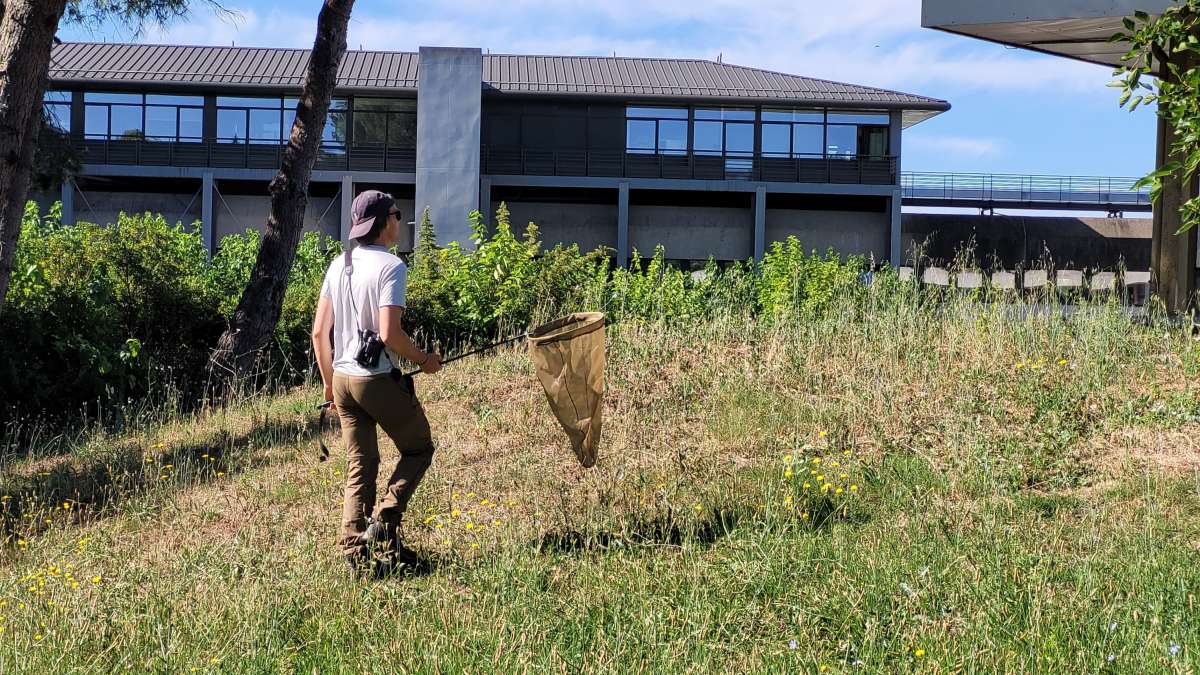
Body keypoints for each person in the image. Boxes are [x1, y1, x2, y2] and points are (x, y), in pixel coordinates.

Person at [311, 189, 442, 577]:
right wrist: (424, 360)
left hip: (343, 381)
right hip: (374, 379)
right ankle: (384, 523)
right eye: (398, 214)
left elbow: (320, 333)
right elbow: (389, 334)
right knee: (419, 448)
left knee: (361, 465)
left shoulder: (340, 263)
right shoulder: (392, 267)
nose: (400, 221)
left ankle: (355, 556)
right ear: (386, 222)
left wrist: (328, 387)